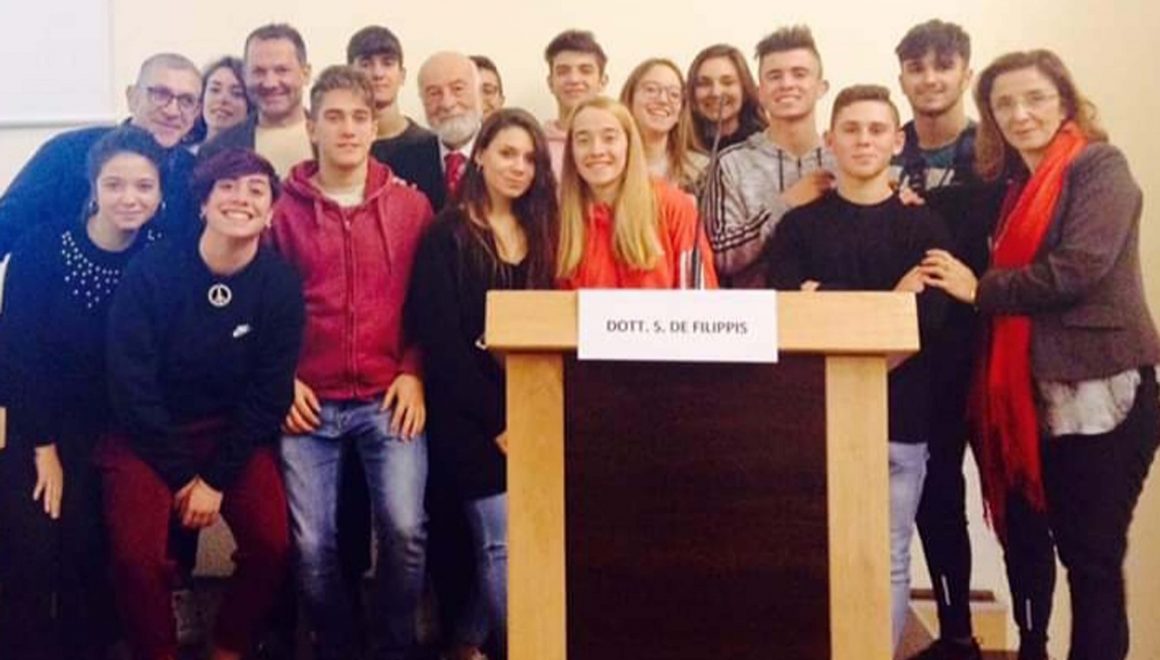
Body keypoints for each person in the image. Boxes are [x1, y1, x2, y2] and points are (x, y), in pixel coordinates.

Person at [921, 49, 1160, 660]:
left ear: (1065, 101)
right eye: (1004, 104)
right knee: (1070, 550)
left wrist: (981, 289)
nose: (1019, 113)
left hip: (1102, 391)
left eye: (1035, 98)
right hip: (1041, 397)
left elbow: (1078, 268)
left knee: (1092, 558)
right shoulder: (1017, 189)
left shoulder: (1099, 166)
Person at [767, 84, 950, 653]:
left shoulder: (926, 227)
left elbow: (925, 326)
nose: (863, 140)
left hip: (900, 423)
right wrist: (889, 301)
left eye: (876, 130)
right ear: (830, 139)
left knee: (888, 557)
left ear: (897, 142)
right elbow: (790, 322)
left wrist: (828, 297)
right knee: (809, 555)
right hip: (812, 420)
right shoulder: (798, 228)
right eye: (850, 129)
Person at [100, 148, 303, 660]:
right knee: (136, 556)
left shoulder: (280, 285)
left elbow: (269, 393)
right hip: (145, 434)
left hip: (228, 434)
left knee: (273, 544)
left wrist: (213, 481)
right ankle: (158, 651)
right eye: (226, 187)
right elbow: (132, 384)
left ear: (272, 211)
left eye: (255, 190)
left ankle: (230, 644)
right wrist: (183, 478)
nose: (241, 199)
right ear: (203, 203)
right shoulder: (153, 272)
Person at [267, 66, 432, 660]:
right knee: (312, 545)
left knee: (405, 531)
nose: (347, 129)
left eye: (360, 117)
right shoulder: (279, 213)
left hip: (389, 397)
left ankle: (392, 646)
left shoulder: (411, 208)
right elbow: (261, 309)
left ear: (374, 127)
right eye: (333, 117)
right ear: (311, 126)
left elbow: (429, 304)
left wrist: (413, 370)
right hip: (308, 402)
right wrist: (281, 380)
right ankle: (336, 645)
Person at [0, 126, 166, 660]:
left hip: (116, 428)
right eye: (114, 184)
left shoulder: (163, 259)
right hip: (38, 420)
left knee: (89, 547)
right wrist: (43, 447)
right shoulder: (40, 249)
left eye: (144, 186)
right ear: (93, 187)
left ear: (161, 194)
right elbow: (18, 352)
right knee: (31, 547)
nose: (129, 198)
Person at [407, 107, 559, 660]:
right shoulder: (446, 235)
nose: (518, 167)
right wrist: (499, 422)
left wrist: (527, 416)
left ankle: (467, 642)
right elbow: (443, 347)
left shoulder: (544, 230)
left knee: (531, 537)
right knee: (501, 543)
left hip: (530, 410)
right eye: (507, 153)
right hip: (468, 420)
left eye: (530, 159)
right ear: (480, 157)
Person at [892, 19, 997, 660]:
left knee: (1008, 496)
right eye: (917, 67)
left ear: (966, 72)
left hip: (986, 343)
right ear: (902, 76)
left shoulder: (994, 155)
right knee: (933, 490)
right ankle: (953, 634)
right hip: (908, 349)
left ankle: (1009, 637)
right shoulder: (886, 146)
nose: (930, 78)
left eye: (943, 65)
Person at [0, 52, 201, 256]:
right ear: (132, 97)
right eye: (160, 94)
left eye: (186, 101)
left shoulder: (195, 174)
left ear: (196, 112)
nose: (172, 111)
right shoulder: (69, 153)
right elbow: (7, 223)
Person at [706, 26, 836, 288]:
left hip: (838, 309)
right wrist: (785, 203)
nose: (787, 84)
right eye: (775, 76)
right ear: (760, 91)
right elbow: (721, 257)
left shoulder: (844, 160)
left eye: (799, 74)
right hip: (754, 311)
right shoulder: (731, 163)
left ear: (821, 87)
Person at [556, 96, 716, 289]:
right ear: (571, 151)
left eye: (609, 138)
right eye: (583, 140)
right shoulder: (561, 219)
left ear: (629, 143)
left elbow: (699, 296)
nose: (596, 150)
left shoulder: (674, 207)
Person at [373, 51, 484, 212]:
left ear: (479, 92)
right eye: (434, 93)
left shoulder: (508, 155)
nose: (447, 103)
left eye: (458, 89)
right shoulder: (401, 165)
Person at [201, 23, 312, 177]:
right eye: (259, 71)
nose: (270, 83)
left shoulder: (332, 138)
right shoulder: (217, 150)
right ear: (245, 75)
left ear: (306, 74)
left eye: (281, 70)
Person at [619, 58, 708, 194]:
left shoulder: (701, 170)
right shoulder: (608, 163)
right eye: (651, 89)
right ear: (630, 99)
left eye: (674, 94)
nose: (663, 99)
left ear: (681, 112)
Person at [348, 25, 432, 146]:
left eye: (387, 63)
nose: (378, 74)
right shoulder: (339, 144)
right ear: (350, 75)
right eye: (366, 64)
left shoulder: (429, 145)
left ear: (402, 75)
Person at [542, 29, 609, 178]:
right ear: (550, 83)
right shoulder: (536, 146)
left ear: (602, 81)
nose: (573, 79)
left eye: (585, 71)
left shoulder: (617, 144)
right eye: (563, 71)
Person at [685, 44, 766, 152]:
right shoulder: (678, 148)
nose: (716, 92)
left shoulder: (766, 145)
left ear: (745, 88)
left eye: (727, 82)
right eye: (704, 83)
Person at [187, 56, 250, 150]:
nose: (222, 99)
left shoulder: (256, 157)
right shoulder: (180, 154)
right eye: (215, 90)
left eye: (236, 93)